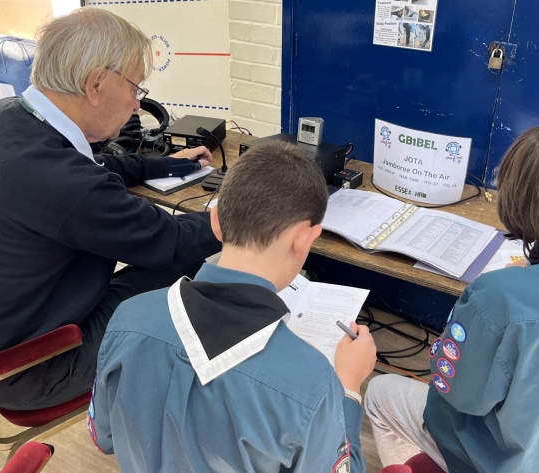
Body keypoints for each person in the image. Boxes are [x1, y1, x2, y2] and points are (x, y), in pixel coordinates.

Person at [364, 120, 539, 472]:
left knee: (380, 393)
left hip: (492, 462)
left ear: (520, 203)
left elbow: (460, 396)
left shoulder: (499, 297)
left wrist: (451, 348)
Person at [89, 140, 377, 472]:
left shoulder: (127, 317)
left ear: (216, 222)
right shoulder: (315, 383)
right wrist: (350, 390)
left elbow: (103, 436)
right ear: (305, 239)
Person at [0, 7, 221, 410]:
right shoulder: (66, 184)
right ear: (96, 83)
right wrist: (240, 214)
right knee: (187, 267)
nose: (137, 105)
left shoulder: (14, 121)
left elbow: (96, 163)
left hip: (17, 325)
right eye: (137, 88)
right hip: (36, 366)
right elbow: (169, 240)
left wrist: (170, 162)